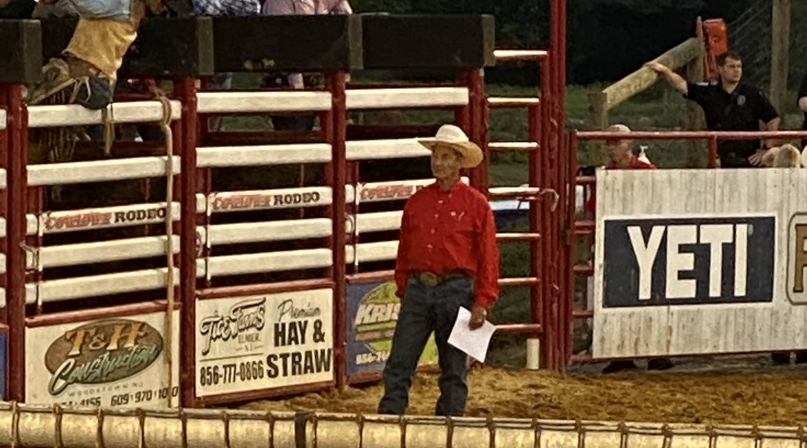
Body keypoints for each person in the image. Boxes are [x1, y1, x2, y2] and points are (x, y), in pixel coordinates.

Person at [377, 124, 499, 417]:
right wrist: (405, 286)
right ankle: (391, 417)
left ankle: (449, 422)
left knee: (454, 367)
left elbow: (488, 256)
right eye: (437, 156)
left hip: (456, 289)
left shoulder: (476, 205)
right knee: (399, 362)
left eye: (446, 157)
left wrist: (482, 300)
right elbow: (405, 249)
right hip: (422, 287)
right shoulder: (417, 202)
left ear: (458, 161)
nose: (439, 162)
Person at [583, 124, 674, 373]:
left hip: (642, 240)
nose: (612, 148)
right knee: (622, 297)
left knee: (648, 297)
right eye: (609, 143)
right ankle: (624, 354)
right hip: (622, 244)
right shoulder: (607, 175)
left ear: (628, 144)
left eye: (616, 143)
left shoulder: (640, 171)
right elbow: (593, 213)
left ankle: (653, 353)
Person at [645, 51, 781, 168]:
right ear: (720, 69)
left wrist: (766, 149)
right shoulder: (709, 92)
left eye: (739, 66)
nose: (737, 70)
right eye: (732, 66)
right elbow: (684, 86)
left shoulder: (752, 94)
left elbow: (773, 118)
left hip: (750, 160)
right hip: (721, 160)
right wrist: (665, 71)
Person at [261, 0, 353, 131]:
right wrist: (298, 87)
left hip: (314, 82)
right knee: (296, 137)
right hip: (288, 82)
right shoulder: (280, 2)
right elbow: (281, 45)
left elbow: (346, 19)